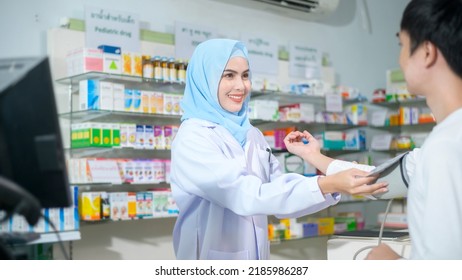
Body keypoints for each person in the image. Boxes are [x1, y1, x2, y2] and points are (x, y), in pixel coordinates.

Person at [170, 38, 388, 260]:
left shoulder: (251, 134)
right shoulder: (193, 137)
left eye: (245, 75)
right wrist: (331, 182)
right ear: (204, 80)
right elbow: (246, 195)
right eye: (229, 75)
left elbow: (279, 196)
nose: (241, 85)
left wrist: (333, 181)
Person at [286, 0, 462, 260]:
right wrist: (314, 156)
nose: (400, 60)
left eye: (402, 46)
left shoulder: (446, 146)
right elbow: (377, 181)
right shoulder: (441, 145)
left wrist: (388, 262)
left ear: (427, 52)